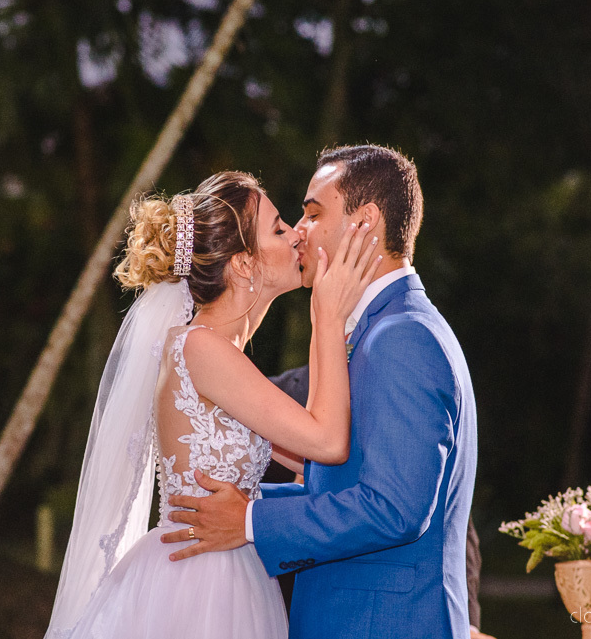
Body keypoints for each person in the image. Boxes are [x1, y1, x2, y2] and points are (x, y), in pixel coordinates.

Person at [44, 170, 381, 639]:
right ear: (243, 265)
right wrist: (327, 314)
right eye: (279, 228)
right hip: (197, 586)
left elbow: (315, 461)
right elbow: (327, 440)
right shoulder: (200, 349)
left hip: (229, 571)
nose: (297, 235)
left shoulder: (225, 361)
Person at [162, 145, 479, 639]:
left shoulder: (402, 338)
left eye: (312, 213)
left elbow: (394, 509)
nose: (300, 231)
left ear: (365, 221)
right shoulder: (377, 331)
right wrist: (236, 501)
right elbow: (342, 483)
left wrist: (251, 520)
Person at [266, 365, 495, 639]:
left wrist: (467, 623)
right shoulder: (273, 397)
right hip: (278, 599)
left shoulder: (399, 389)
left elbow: (450, 522)